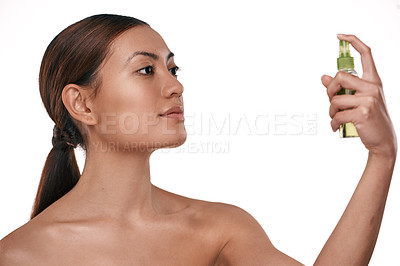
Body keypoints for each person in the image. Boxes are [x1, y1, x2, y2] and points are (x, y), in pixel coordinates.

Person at [0, 14, 397, 265]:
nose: (176, 85)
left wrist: (382, 154)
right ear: (82, 104)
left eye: (173, 68)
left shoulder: (218, 228)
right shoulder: (19, 256)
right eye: (145, 70)